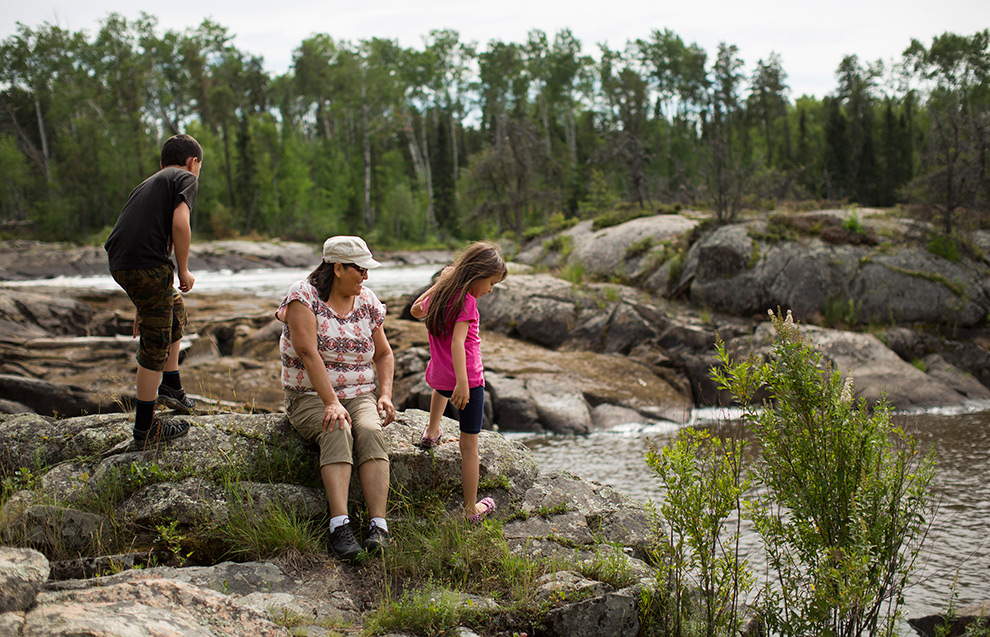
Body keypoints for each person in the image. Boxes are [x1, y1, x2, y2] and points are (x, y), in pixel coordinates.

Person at [276, 236, 396, 561]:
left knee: (370, 431)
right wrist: (331, 401)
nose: (366, 277)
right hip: (309, 395)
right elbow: (307, 352)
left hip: (359, 393)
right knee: (338, 427)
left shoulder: (367, 300)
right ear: (338, 268)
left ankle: (378, 527)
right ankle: (339, 527)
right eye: (361, 269)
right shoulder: (303, 297)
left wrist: (384, 394)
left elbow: (384, 354)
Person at [105, 133, 203, 444]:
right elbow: (180, 223)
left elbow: (136, 233)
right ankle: (146, 428)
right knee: (155, 343)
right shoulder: (184, 178)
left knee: (174, 306)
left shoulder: (150, 184)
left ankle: (171, 385)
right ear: (193, 162)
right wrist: (184, 268)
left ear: (162, 164)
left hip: (122, 261)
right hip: (145, 264)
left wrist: (142, 304)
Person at [410, 241, 507, 523]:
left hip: (441, 374)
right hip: (468, 379)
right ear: (476, 275)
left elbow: (416, 310)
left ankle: (431, 431)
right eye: (490, 282)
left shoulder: (442, 293)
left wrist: (440, 283)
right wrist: (464, 384)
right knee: (469, 447)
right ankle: (470, 509)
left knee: (439, 392)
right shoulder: (467, 302)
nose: (490, 289)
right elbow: (457, 342)